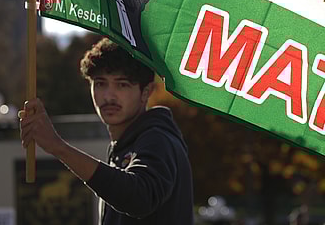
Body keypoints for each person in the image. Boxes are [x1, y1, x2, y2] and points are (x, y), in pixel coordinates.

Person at [20, 37, 194, 224]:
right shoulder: (125, 145)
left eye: (122, 84)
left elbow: (140, 197)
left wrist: (57, 147)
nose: (108, 96)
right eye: (101, 83)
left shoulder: (158, 139)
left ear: (146, 92)